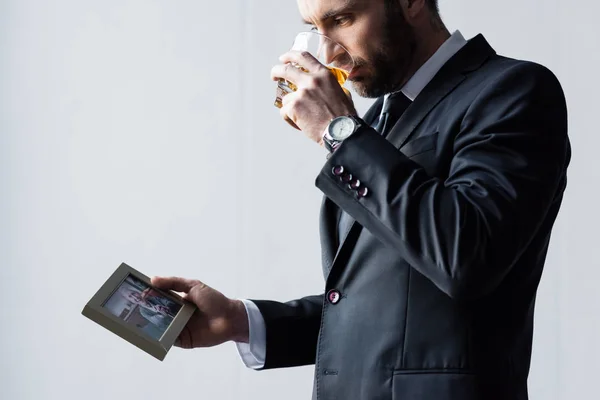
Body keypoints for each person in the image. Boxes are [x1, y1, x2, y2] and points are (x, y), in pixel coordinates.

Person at [151, 0, 571, 399]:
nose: (329, 53)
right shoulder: (379, 122)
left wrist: (339, 132)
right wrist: (238, 320)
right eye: (314, 29)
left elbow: (466, 255)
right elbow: (380, 308)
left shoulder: (513, 90)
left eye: (343, 20)